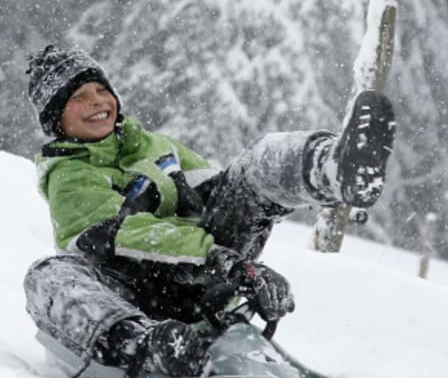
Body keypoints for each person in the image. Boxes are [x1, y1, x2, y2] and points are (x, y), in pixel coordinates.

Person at [22, 45, 396, 376]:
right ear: (57, 118)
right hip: (135, 296)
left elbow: (221, 194)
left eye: (102, 89)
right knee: (49, 275)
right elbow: (120, 234)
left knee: (251, 167)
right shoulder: (70, 175)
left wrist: (245, 274)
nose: (98, 101)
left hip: (202, 280)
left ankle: (332, 166)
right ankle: (149, 346)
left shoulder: (154, 146)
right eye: (80, 97)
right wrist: (212, 255)